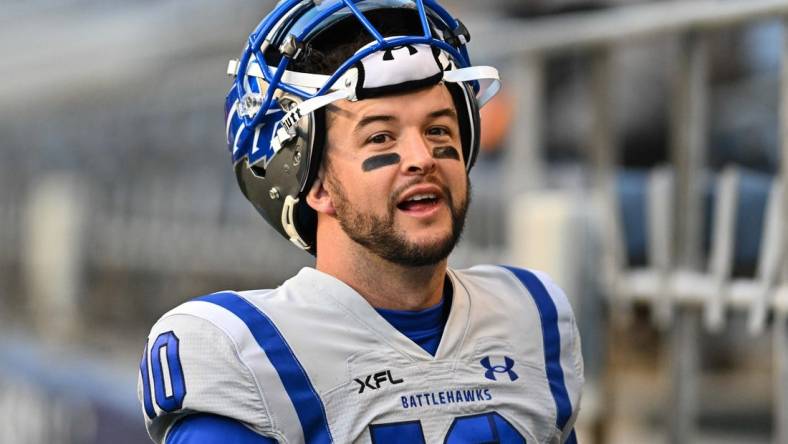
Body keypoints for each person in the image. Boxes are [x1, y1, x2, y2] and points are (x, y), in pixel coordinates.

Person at [137, 0, 583, 442]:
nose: (422, 158)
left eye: (439, 129)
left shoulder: (531, 316)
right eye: (381, 137)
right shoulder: (246, 353)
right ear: (314, 184)